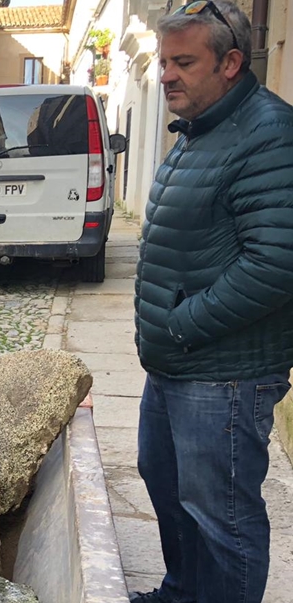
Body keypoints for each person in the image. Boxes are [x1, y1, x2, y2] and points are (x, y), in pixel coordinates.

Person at [132, 2, 293, 601]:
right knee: (171, 493)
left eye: (182, 61)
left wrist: (179, 324)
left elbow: (276, 263)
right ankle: (181, 594)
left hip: (224, 375)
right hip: (178, 363)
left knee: (223, 519)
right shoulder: (202, 129)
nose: (167, 74)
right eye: (162, 61)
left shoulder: (269, 134)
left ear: (230, 63)